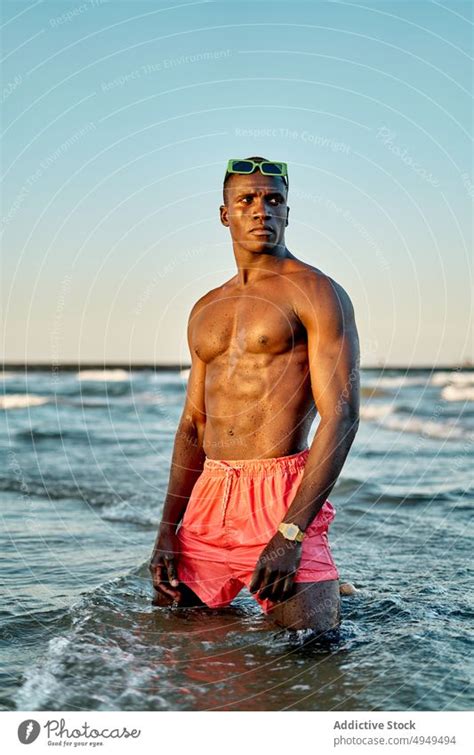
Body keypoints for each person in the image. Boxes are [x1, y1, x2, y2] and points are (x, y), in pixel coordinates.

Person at [150, 157, 360, 636]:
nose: (261, 210)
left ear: (287, 213)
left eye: (274, 200)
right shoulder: (206, 308)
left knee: (312, 653)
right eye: (246, 200)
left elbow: (342, 415)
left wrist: (290, 531)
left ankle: (328, 576)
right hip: (208, 498)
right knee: (184, 653)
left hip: (280, 497)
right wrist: (167, 530)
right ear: (224, 214)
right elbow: (192, 426)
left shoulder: (316, 291)